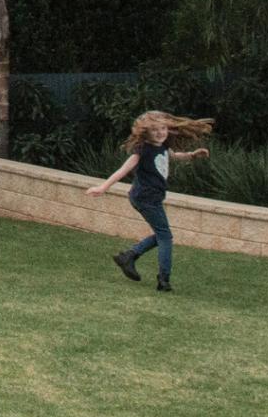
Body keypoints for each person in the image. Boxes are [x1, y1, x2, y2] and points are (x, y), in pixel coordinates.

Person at [88, 110, 213, 293]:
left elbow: (174, 156)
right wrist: (103, 188)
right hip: (145, 198)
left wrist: (192, 155)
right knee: (166, 238)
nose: (160, 132)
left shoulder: (162, 147)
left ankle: (128, 256)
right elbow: (123, 170)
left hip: (151, 198)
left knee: (161, 235)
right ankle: (163, 280)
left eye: (163, 128)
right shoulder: (143, 150)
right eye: (155, 130)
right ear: (145, 132)